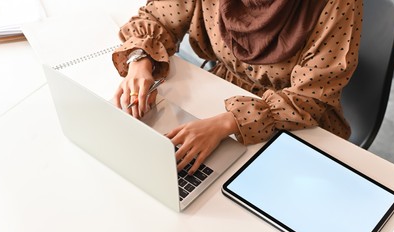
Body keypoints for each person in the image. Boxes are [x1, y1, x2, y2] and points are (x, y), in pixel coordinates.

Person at [112, 0, 363, 174]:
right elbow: (157, 17)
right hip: (220, 92)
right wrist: (139, 61)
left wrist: (224, 124)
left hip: (295, 121)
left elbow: (312, 96)